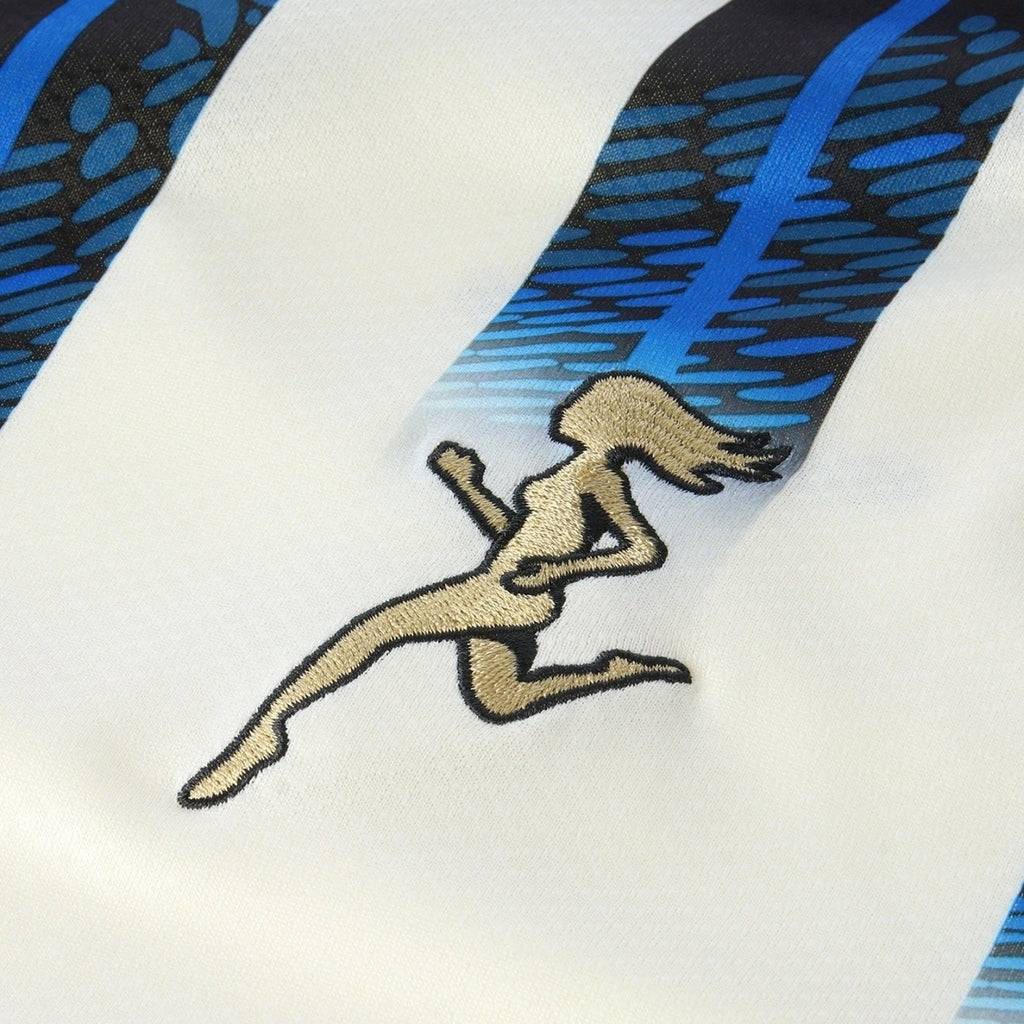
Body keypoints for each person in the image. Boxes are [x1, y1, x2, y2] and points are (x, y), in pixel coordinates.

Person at [179, 371, 788, 806]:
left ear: (612, 419)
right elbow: (512, 539)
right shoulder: (567, 473)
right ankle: (613, 671)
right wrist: (468, 486)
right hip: (502, 585)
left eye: (593, 400)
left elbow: (644, 549)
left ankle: (267, 731)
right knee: (500, 699)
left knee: (377, 630)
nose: (577, 404)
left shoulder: (599, 478)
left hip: (513, 596)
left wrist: (558, 572)